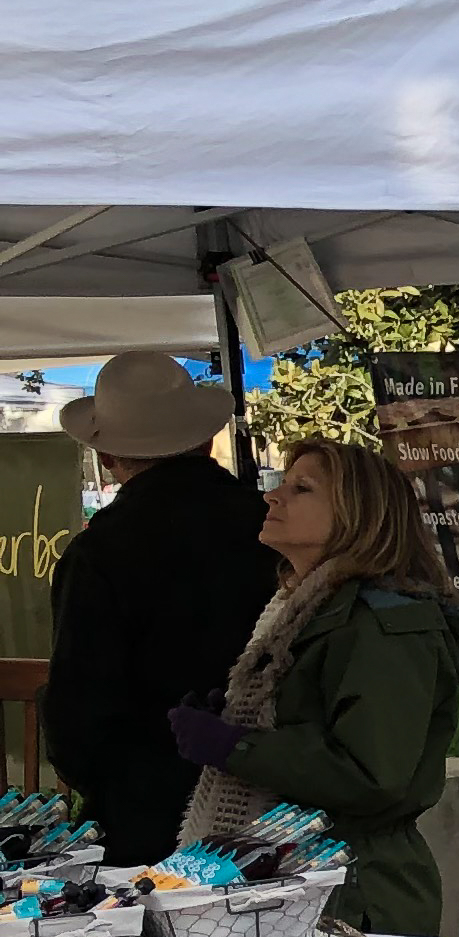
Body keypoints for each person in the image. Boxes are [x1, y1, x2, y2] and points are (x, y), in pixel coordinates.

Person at [165, 438, 459, 937]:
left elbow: (373, 774)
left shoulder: (383, 624)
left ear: (358, 515)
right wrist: (235, 720)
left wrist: (238, 747)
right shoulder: (302, 608)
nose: (273, 497)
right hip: (304, 880)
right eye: (282, 484)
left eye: (302, 488)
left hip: (355, 894)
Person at [41, 351, 280, 865]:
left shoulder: (99, 550)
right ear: (204, 439)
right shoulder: (274, 526)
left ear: (106, 456)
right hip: (281, 791)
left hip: (145, 807)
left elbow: (76, 709)